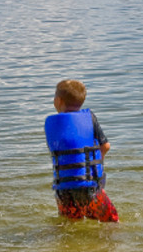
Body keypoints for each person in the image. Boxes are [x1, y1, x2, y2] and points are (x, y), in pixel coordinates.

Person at [44, 80, 119, 222]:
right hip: (88, 188)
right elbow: (106, 146)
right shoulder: (89, 118)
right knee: (111, 221)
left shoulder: (52, 124)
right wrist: (97, 167)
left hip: (63, 189)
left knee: (69, 224)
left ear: (58, 101)